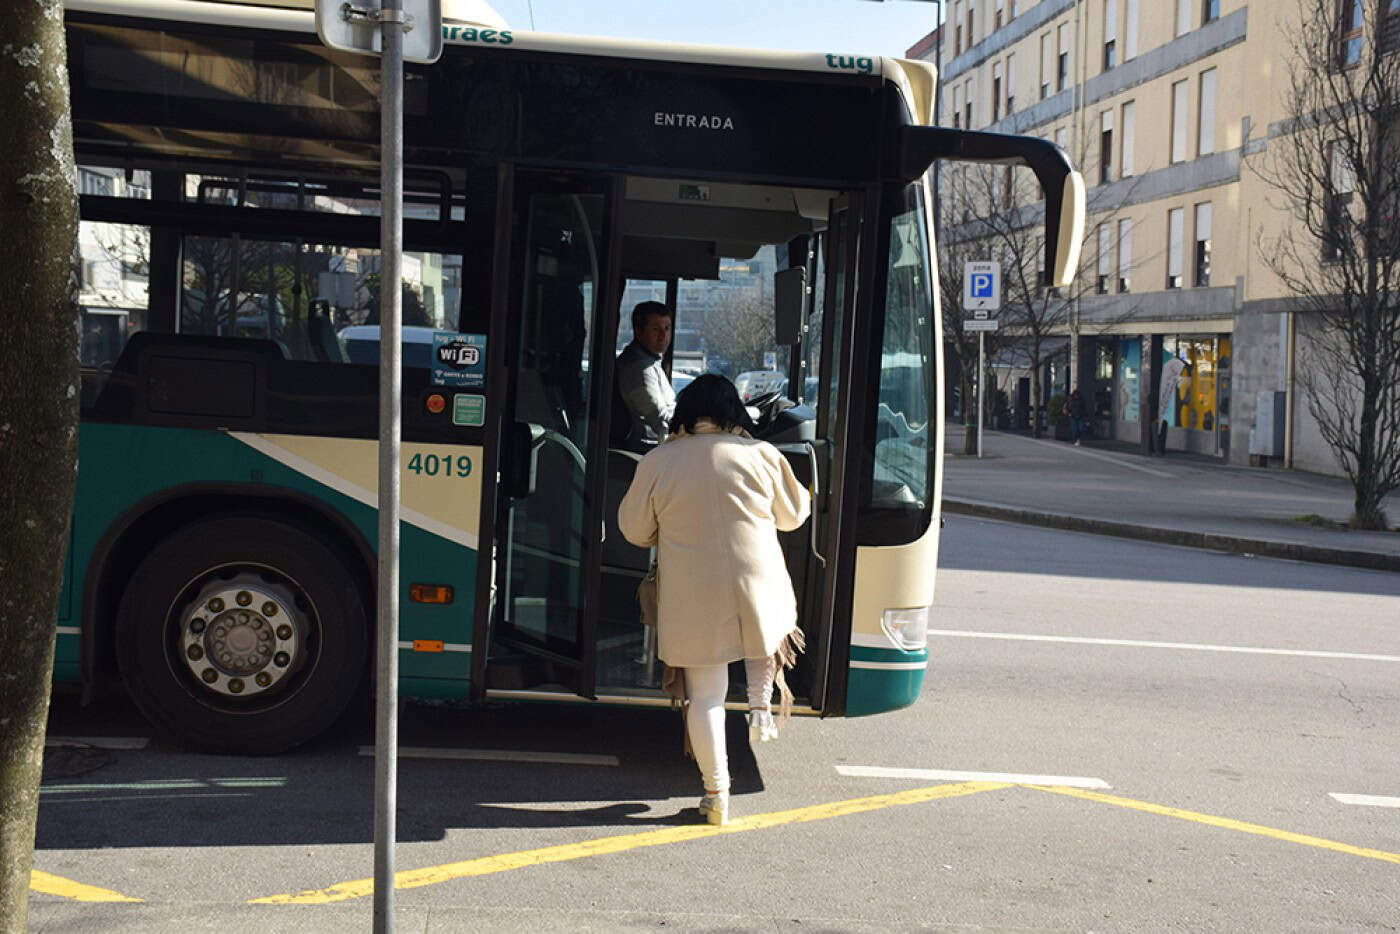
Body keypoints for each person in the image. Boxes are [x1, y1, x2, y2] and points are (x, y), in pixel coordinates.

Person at [617, 374, 810, 826]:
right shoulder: (761, 455)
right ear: (734, 414)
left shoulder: (659, 461)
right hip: (757, 586)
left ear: (685, 412)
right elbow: (793, 516)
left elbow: (633, 530)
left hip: (692, 595)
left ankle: (716, 793)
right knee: (762, 634)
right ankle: (760, 707)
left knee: (705, 698)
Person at [613, 301, 676, 447]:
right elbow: (658, 419)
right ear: (638, 331)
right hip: (644, 451)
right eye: (656, 329)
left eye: (667, 328)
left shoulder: (651, 361)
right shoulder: (638, 368)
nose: (663, 336)